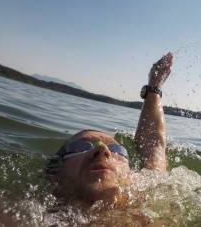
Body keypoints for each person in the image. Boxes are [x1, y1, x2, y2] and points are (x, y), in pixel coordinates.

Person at [44, 52, 174, 204]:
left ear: (133, 176)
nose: (102, 150)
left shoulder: (152, 196)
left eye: (117, 150)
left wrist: (154, 87)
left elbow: (153, 144)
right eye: (80, 147)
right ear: (54, 174)